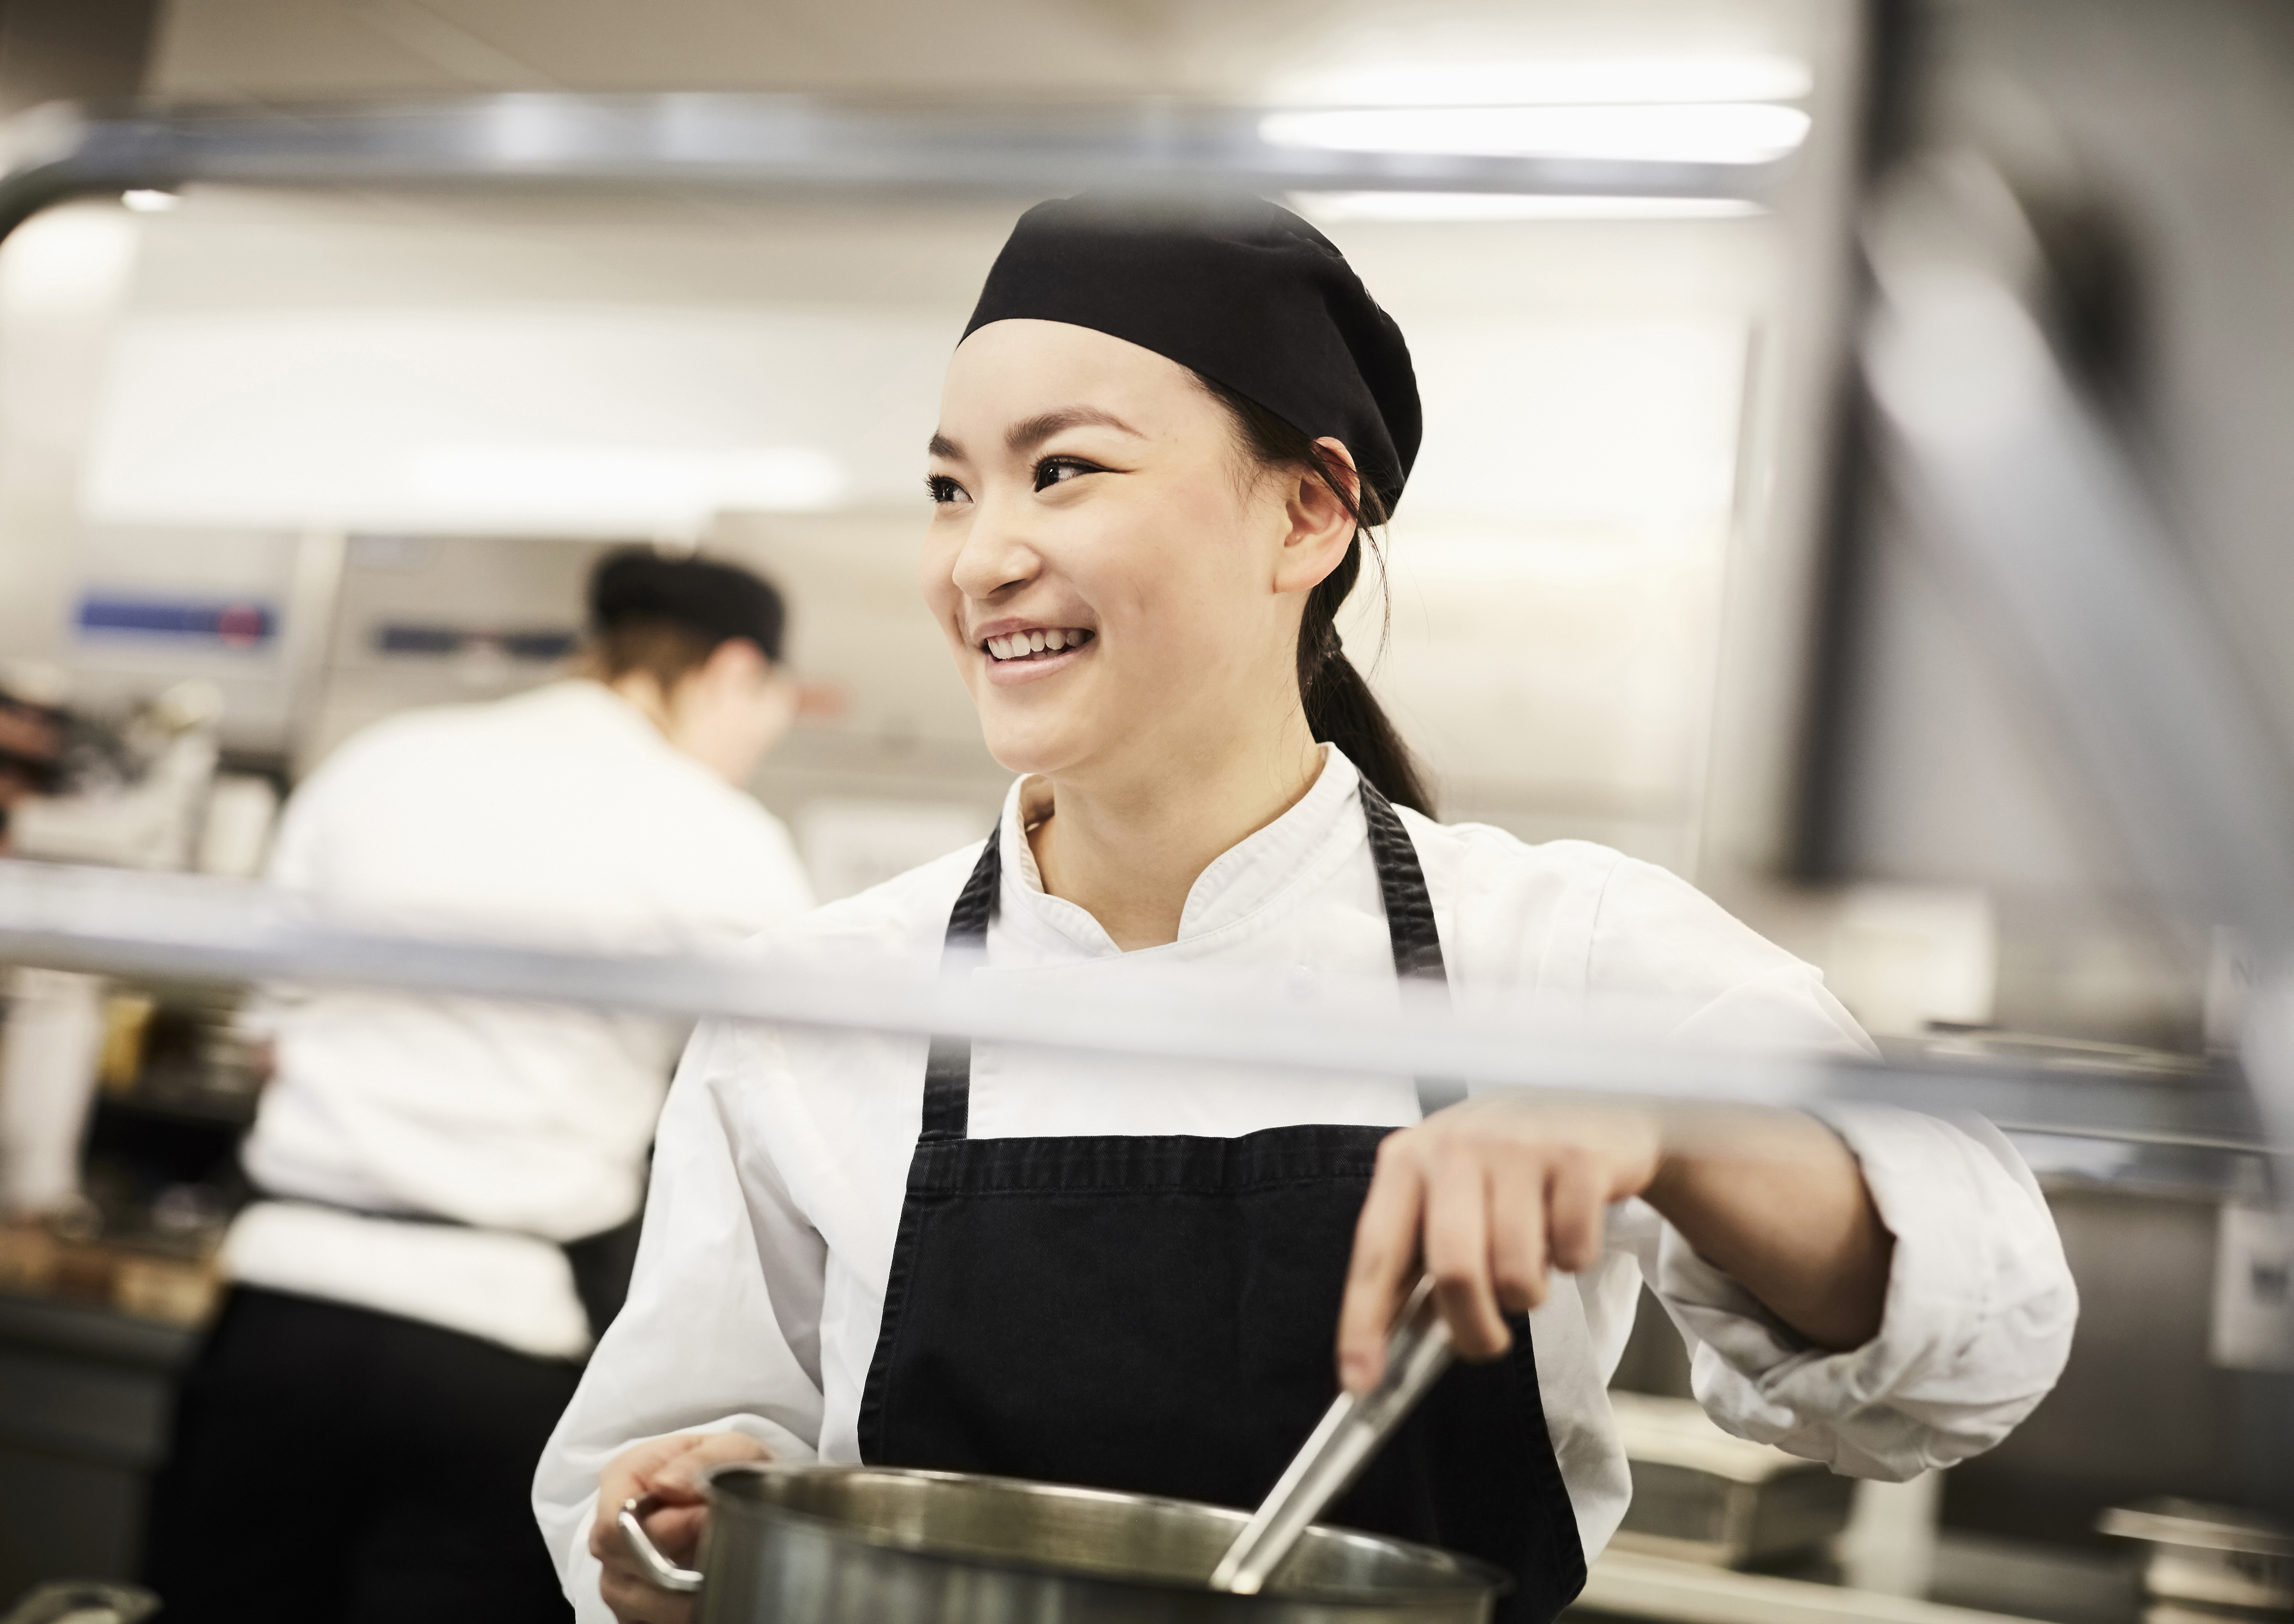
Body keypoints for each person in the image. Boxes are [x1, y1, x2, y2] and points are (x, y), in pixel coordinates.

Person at [534, 196, 2078, 1624]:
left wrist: (1670, 1124)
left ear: (1310, 514)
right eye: (950, 486)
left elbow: (1982, 1347)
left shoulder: (1560, 953)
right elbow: (653, 1461)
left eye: (1063, 469)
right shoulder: (825, 994)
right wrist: (695, 1527)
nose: (980, 556)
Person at [146, 549, 815, 1624]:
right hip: (500, 1342)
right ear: (734, 670)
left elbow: (272, 1039)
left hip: (281, 1313)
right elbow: (780, 1110)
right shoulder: (722, 838)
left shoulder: (380, 765)